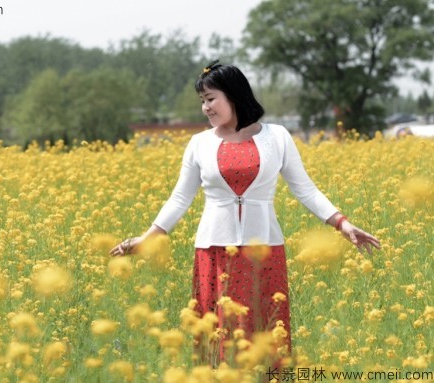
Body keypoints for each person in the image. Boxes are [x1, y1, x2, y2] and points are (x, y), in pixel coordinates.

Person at [110, 60, 381, 365]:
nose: (206, 108)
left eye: (211, 99)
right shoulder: (199, 144)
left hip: (264, 251)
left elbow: (305, 188)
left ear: (234, 95)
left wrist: (341, 224)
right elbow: (179, 199)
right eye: (202, 101)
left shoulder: (277, 137)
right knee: (218, 337)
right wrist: (148, 238)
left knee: (266, 334)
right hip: (214, 253)